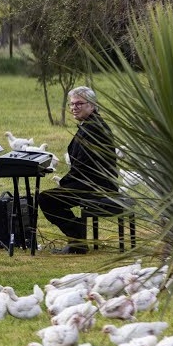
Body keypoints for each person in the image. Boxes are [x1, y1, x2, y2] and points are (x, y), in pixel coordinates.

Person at [39, 86, 118, 254]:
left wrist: (63, 183)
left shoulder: (93, 129)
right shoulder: (91, 124)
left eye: (78, 104)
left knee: (47, 199)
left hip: (96, 186)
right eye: (71, 104)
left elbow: (83, 168)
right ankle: (77, 235)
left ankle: (78, 239)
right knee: (51, 197)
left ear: (92, 105)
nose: (74, 108)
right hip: (93, 182)